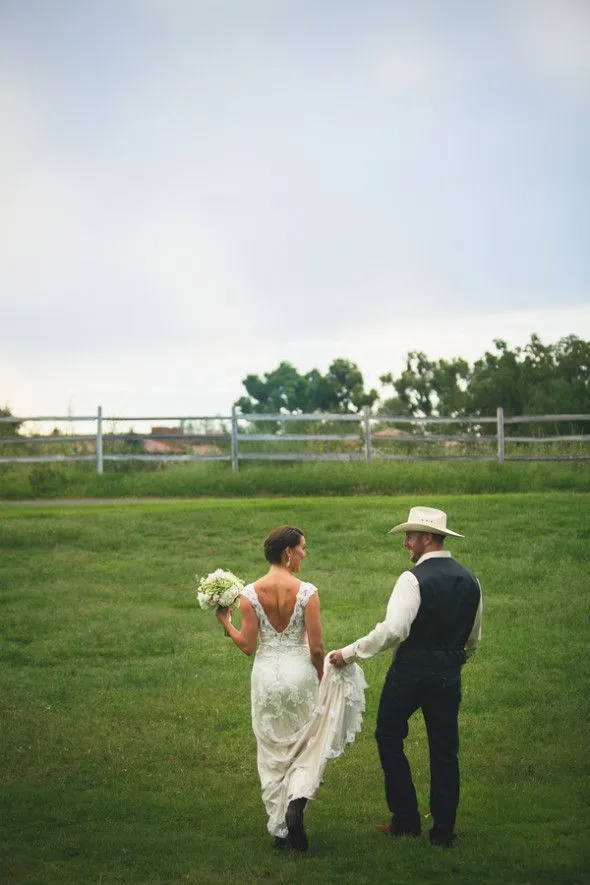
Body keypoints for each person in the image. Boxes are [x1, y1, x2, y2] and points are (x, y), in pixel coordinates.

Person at [330, 506, 482, 848]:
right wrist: (453, 662)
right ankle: (443, 832)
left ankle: (405, 820)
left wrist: (351, 652)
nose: (406, 544)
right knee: (445, 750)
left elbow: (394, 629)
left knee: (388, 736)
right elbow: (474, 637)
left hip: (409, 673)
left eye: (410, 537)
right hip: (448, 674)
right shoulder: (471, 579)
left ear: (427, 538)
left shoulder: (412, 579)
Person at [216, 525, 366, 852]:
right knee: (305, 746)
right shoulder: (307, 592)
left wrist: (226, 623)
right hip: (299, 676)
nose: (304, 554)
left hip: (266, 678)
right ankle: (296, 805)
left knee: (272, 751)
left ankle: (280, 830)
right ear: (288, 553)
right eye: (302, 548)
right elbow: (316, 648)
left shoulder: (249, 594)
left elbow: (248, 646)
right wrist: (320, 676)